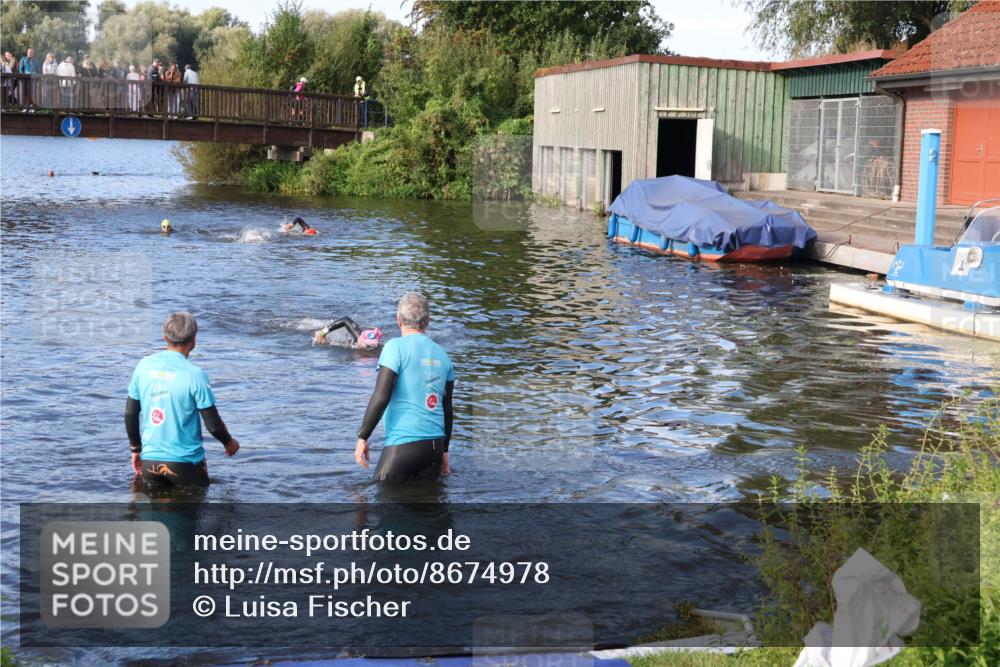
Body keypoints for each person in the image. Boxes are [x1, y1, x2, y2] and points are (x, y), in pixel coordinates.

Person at [125, 312, 240, 490]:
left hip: (150, 462)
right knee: (192, 515)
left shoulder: (143, 365)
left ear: (165, 337)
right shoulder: (195, 375)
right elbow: (213, 425)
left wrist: (135, 450)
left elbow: (130, 414)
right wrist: (229, 443)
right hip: (185, 465)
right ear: (193, 340)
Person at [354, 293, 454, 482]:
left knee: (378, 505)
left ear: (398, 320)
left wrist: (363, 437)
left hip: (402, 445)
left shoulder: (394, 347)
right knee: (425, 507)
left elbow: (381, 396)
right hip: (434, 448)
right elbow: (447, 408)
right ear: (428, 321)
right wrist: (445, 451)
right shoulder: (443, 355)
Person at [313, 317, 382, 349]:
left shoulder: (376, 348)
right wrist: (323, 332)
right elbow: (345, 319)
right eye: (367, 346)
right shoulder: (358, 335)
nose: (368, 348)